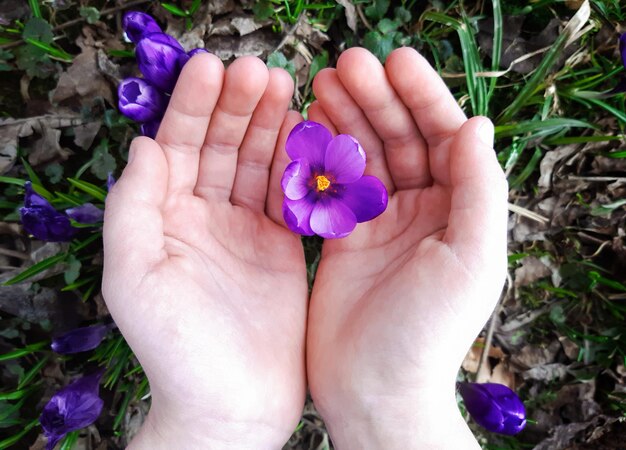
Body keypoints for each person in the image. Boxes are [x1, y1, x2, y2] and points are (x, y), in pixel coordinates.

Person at [102, 46, 508, 449]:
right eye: (320, 181)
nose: (323, 183)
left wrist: (212, 431)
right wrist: (395, 411)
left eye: (326, 183)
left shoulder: (347, 190)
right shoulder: (307, 174)